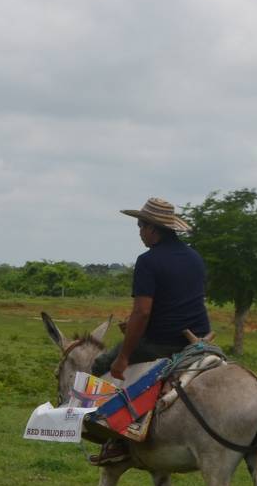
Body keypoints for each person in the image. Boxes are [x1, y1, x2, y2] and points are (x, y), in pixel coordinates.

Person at [87, 197, 212, 465]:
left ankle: (116, 442)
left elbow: (143, 312)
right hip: (199, 340)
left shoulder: (148, 261)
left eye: (141, 226)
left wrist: (123, 357)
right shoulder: (194, 257)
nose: (140, 232)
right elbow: (178, 302)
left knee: (101, 365)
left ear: (153, 229)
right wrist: (133, 326)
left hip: (163, 342)